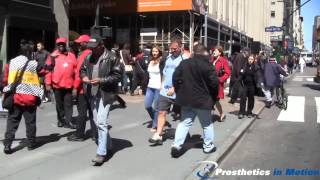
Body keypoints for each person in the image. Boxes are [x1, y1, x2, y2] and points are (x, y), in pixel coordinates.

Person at [171, 44, 219, 157]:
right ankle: (208, 147)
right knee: (207, 124)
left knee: (184, 123)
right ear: (204, 53)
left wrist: (179, 91)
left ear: (194, 52)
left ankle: (176, 145)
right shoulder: (208, 65)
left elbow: (175, 77)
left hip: (186, 99)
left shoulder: (184, 63)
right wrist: (214, 97)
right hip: (203, 100)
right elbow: (214, 84)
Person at [80, 36, 122, 165]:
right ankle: (108, 145)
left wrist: (101, 80)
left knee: (102, 122)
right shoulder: (88, 57)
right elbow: (82, 69)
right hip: (92, 93)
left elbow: (118, 75)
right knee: (97, 121)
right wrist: (85, 77)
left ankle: (101, 153)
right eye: (90, 48)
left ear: (101, 45)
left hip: (106, 94)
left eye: (94, 48)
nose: (92, 50)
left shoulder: (112, 57)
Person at [3, 40, 44, 154]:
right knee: (30, 122)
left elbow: (5, 79)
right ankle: (31, 144)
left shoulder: (11, 63)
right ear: (30, 53)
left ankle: (7, 144)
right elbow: (44, 71)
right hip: (30, 98)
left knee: (12, 122)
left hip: (16, 97)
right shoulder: (33, 64)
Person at [148, 36, 184, 145]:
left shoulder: (184, 60)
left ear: (181, 47)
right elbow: (164, 73)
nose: (172, 50)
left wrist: (174, 88)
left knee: (182, 115)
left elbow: (184, 77)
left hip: (178, 92)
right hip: (165, 91)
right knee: (161, 112)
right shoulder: (167, 58)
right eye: (171, 48)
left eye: (175, 48)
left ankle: (181, 137)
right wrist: (162, 85)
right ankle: (158, 135)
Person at [67, 35, 97, 142]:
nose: (78, 45)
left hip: (82, 88)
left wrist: (75, 87)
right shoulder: (93, 54)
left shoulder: (84, 55)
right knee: (93, 111)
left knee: (82, 112)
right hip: (92, 87)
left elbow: (80, 73)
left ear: (86, 43)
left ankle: (79, 134)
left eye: (80, 43)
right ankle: (95, 134)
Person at [45, 37, 77, 129]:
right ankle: (60, 119)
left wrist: (76, 85)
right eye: (59, 44)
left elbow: (75, 70)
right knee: (59, 104)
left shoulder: (71, 55)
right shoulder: (52, 56)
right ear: (57, 45)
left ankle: (69, 121)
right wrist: (47, 83)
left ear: (65, 45)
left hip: (69, 84)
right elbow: (48, 71)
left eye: (62, 44)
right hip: (57, 85)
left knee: (68, 104)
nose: (61, 46)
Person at [144, 45, 162, 132]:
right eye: (153, 51)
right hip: (150, 87)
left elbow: (164, 74)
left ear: (159, 52)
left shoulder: (162, 61)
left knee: (155, 107)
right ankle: (157, 120)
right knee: (147, 106)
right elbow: (147, 75)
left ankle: (155, 125)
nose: (154, 53)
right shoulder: (150, 61)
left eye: (156, 51)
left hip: (158, 87)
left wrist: (163, 85)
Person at [211, 46, 231, 122]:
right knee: (214, 100)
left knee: (214, 100)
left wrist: (220, 79)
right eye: (213, 51)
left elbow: (228, 73)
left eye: (215, 51)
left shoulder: (223, 61)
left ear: (220, 52)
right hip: (210, 84)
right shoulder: (212, 59)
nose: (214, 52)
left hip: (217, 85)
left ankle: (220, 114)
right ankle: (221, 114)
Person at [238, 54, 261, 119]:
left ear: (254, 60)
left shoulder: (256, 67)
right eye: (249, 59)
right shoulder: (244, 66)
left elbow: (258, 76)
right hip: (244, 85)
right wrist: (239, 80)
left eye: (251, 59)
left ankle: (249, 112)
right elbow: (240, 74)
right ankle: (241, 112)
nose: (250, 60)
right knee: (243, 99)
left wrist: (259, 83)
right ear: (247, 59)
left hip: (252, 86)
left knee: (251, 99)